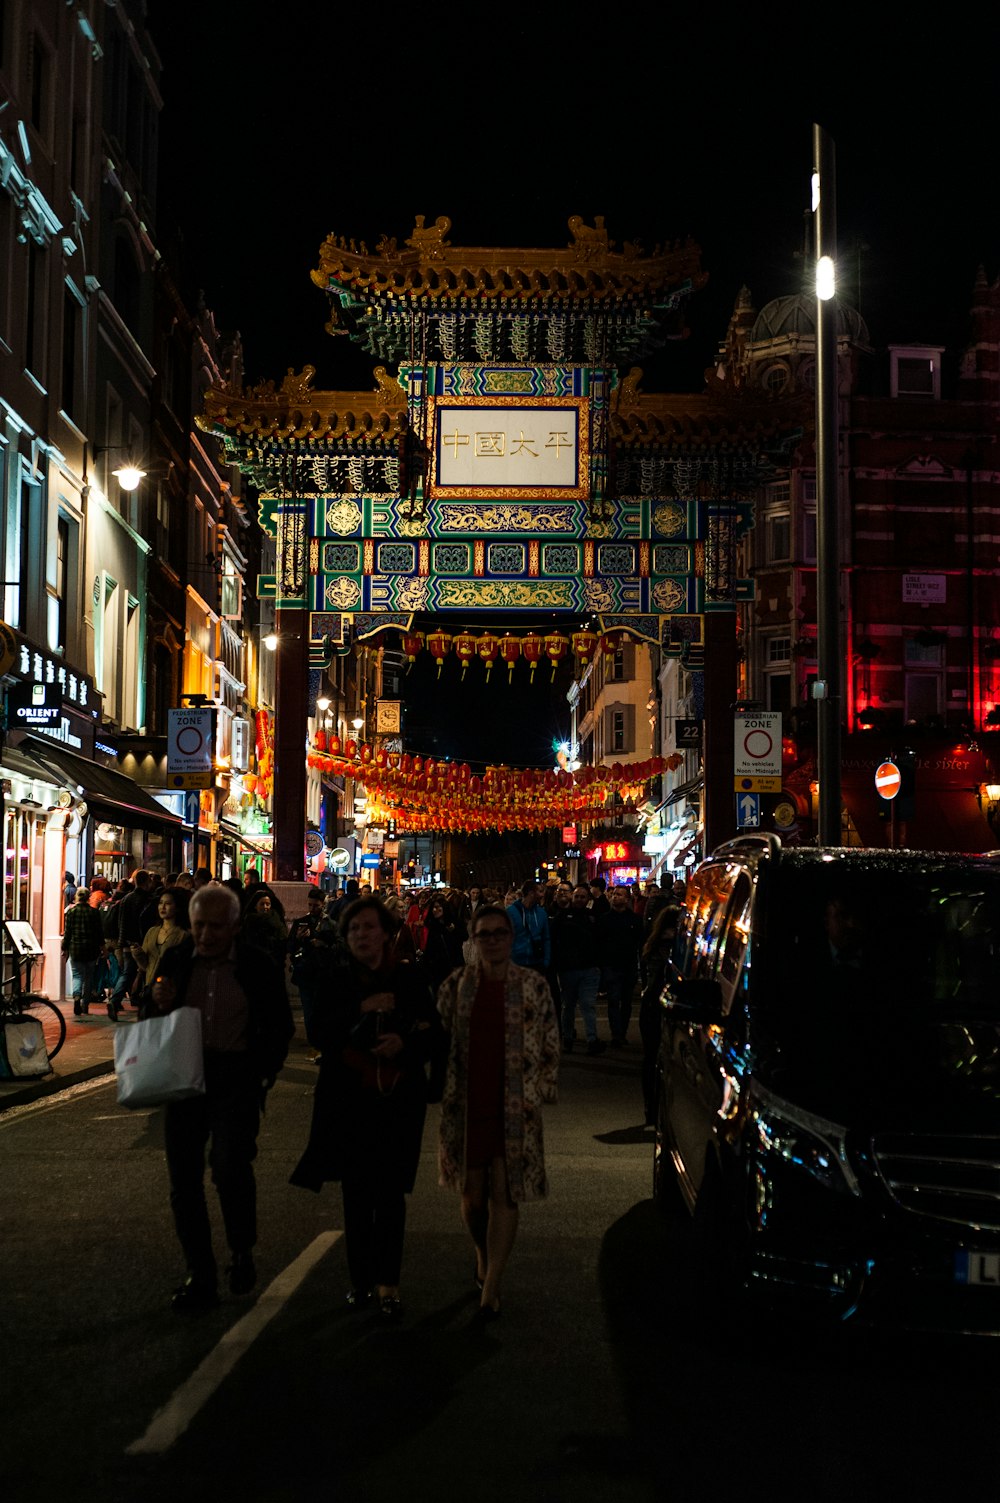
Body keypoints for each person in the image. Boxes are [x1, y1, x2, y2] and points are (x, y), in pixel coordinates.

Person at [290, 897, 441, 1321]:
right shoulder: (336, 979)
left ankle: (388, 1283)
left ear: (386, 933)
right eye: (353, 928)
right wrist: (361, 1008)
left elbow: (434, 1034)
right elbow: (319, 1030)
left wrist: (404, 1045)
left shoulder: (409, 978)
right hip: (349, 1100)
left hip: (397, 1101)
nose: (360, 935)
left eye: (368, 927)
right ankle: (360, 1281)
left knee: (390, 1194)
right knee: (356, 1195)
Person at [147, 884, 293, 1313]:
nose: (205, 935)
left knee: (230, 1167)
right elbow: (151, 1014)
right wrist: (157, 1001)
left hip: (236, 1078)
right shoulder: (176, 959)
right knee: (184, 1181)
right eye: (198, 926)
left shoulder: (256, 966)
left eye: (214, 927)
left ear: (233, 926)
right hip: (185, 1076)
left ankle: (241, 1249)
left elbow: (279, 1024)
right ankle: (201, 1273)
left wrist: (264, 1073)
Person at [437, 904, 559, 1321]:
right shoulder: (455, 986)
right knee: (472, 1196)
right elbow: (438, 1038)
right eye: (484, 934)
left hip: (515, 1102)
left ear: (511, 937)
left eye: (499, 933)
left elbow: (549, 1038)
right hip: (466, 1102)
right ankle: (480, 1252)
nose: (492, 940)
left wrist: (543, 1086)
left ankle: (492, 1282)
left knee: (506, 1190)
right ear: (473, 940)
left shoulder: (534, 986)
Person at [549, 883, 605, 1055]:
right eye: (577, 896)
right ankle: (568, 1038)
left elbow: (600, 942)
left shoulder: (593, 918)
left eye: (583, 897)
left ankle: (591, 1039)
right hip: (568, 969)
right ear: (572, 897)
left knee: (587, 1005)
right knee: (569, 1006)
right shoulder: (562, 917)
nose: (579, 899)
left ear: (588, 899)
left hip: (589, 969)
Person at [638, 905, 682, 1125]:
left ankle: (651, 1107)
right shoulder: (675, 947)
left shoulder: (652, 944)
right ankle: (662, 1108)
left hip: (650, 1004)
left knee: (650, 1057)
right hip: (666, 1004)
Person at [128, 886, 190, 1017]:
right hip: (150, 989)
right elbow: (145, 966)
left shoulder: (183, 935)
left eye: (168, 903)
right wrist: (138, 954)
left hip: (172, 991)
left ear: (177, 907)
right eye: (161, 903)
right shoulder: (152, 932)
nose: (163, 907)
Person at [597, 884, 643, 1045]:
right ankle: (616, 1034)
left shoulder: (635, 920)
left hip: (629, 965)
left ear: (627, 898)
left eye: (620, 894)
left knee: (627, 1001)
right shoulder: (604, 919)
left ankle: (622, 1031)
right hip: (611, 965)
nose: (615, 897)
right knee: (613, 1000)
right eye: (614, 894)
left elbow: (640, 942)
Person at [62, 886, 106, 1015]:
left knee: (77, 975)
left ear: (77, 896)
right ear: (88, 897)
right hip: (91, 949)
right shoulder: (94, 912)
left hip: (75, 948)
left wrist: (64, 948)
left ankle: (76, 997)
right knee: (88, 977)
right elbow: (99, 933)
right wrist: (103, 948)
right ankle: (85, 1004)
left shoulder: (71, 912)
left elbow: (68, 933)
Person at [506, 879, 551, 973]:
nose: (542, 895)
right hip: (516, 964)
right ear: (531, 893)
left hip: (537, 963)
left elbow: (546, 938)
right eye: (540, 891)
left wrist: (546, 961)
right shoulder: (511, 912)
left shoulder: (541, 913)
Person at [240, 885, 289, 967]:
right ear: (255, 906)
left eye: (267, 904)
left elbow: (283, 942)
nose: (265, 907)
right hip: (254, 964)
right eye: (262, 904)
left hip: (274, 964)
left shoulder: (277, 921)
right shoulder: (249, 922)